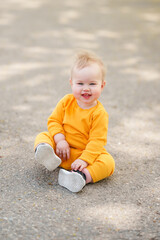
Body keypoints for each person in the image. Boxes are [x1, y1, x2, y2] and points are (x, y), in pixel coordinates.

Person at [34, 50, 115, 193]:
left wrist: (84, 160)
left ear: (102, 86)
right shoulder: (66, 101)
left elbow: (97, 141)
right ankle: (47, 155)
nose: (86, 88)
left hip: (80, 157)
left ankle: (81, 176)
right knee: (43, 135)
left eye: (92, 83)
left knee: (108, 163)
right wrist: (60, 140)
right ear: (72, 84)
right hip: (60, 151)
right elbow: (54, 121)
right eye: (80, 83)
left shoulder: (99, 113)